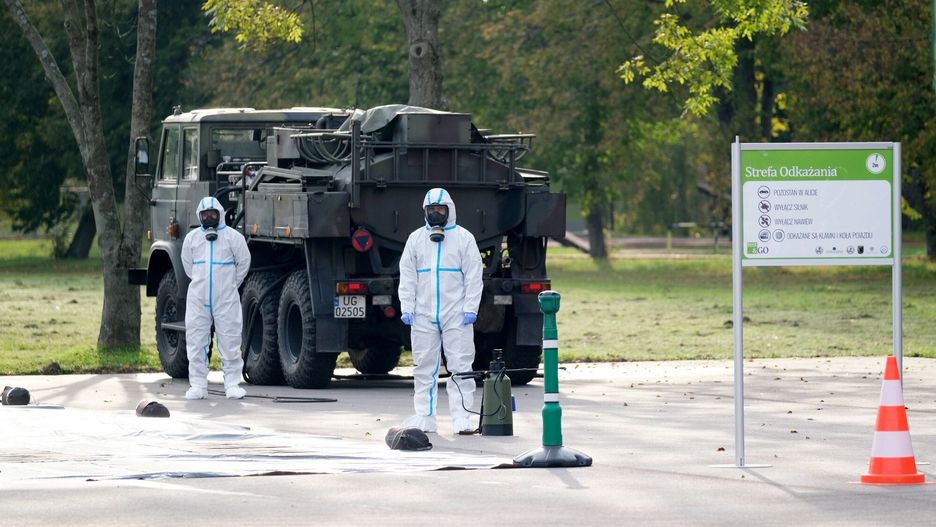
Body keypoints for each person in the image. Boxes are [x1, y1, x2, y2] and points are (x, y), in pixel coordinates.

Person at [398, 188, 483, 434]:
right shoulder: (415, 239)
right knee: (423, 367)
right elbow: (407, 275)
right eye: (431, 209)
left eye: (440, 209)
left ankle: (462, 418)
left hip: (457, 314)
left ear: (450, 210)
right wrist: (407, 306)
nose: (436, 213)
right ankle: (424, 416)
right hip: (423, 314)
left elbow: (474, 276)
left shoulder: (464, 238)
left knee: (461, 366)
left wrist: (470, 308)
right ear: (425, 211)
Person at [181, 197, 251, 400]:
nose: (209, 217)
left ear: (220, 214)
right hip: (198, 299)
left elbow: (244, 263)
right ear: (199, 216)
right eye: (205, 215)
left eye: (213, 213)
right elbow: (188, 265)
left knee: (230, 339)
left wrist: (229, 286)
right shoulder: (192, 238)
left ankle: (232, 384)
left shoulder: (232, 237)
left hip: (226, 298)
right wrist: (202, 283)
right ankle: (198, 385)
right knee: (195, 341)